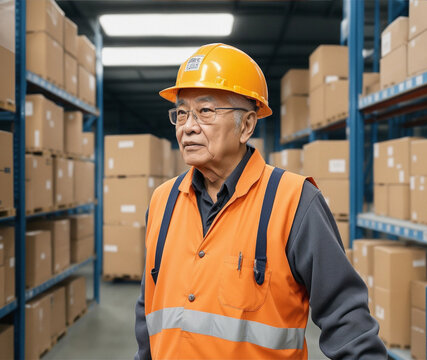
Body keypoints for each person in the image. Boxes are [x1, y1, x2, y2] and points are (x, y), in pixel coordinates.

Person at [134, 43, 387, 359]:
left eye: (206, 111)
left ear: (247, 126)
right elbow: (149, 311)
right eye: (182, 112)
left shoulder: (294, 202)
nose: (188, 127)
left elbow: (348, 322)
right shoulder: (162, 202)